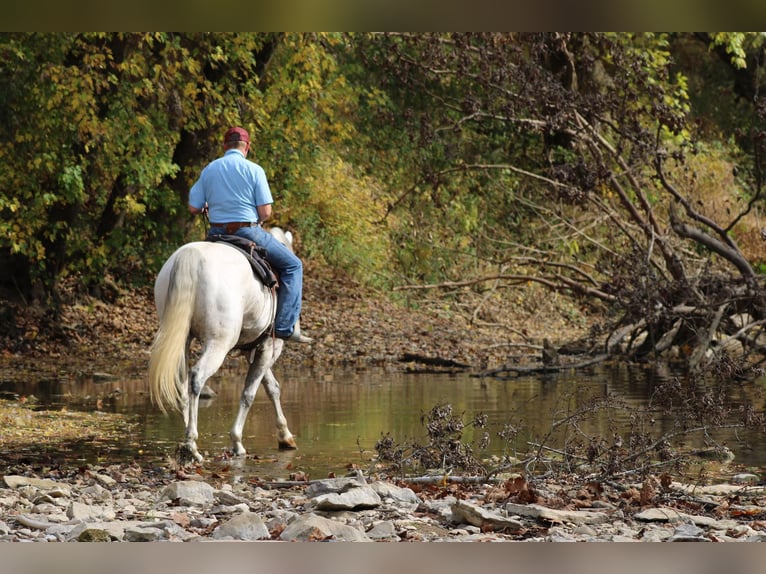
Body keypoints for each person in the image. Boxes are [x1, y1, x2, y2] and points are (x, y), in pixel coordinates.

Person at [188, 126, 312, 343]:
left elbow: (193, 207)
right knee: (293, 266)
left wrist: (207, 206)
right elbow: (265, 212)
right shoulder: (255, 170)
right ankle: (284, 327)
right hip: (247, 231)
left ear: (224, 146)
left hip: (216, 233)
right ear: (248, 147)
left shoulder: (210, 169)